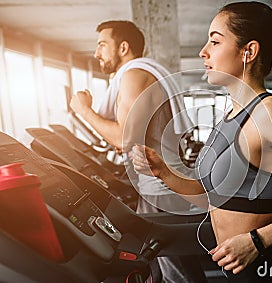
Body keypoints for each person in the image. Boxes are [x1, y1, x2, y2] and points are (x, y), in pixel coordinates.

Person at [130, 2, 272, 282]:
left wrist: (256, 241)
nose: (203, 52)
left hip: (265, 268)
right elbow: (211, 198)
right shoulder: (230, 116)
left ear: (249, 52)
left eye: (215, 41)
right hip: (236, 269)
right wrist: (162, 172)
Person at [70, 20, 206, 283]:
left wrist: (84, 110)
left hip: (162, 190)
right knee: (160, 269)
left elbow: (123, 138)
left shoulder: (134, 75)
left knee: (178, 273)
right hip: (156, 186)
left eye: (102, 45)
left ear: (123, 47)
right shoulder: (134, 75)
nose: (97, 53)